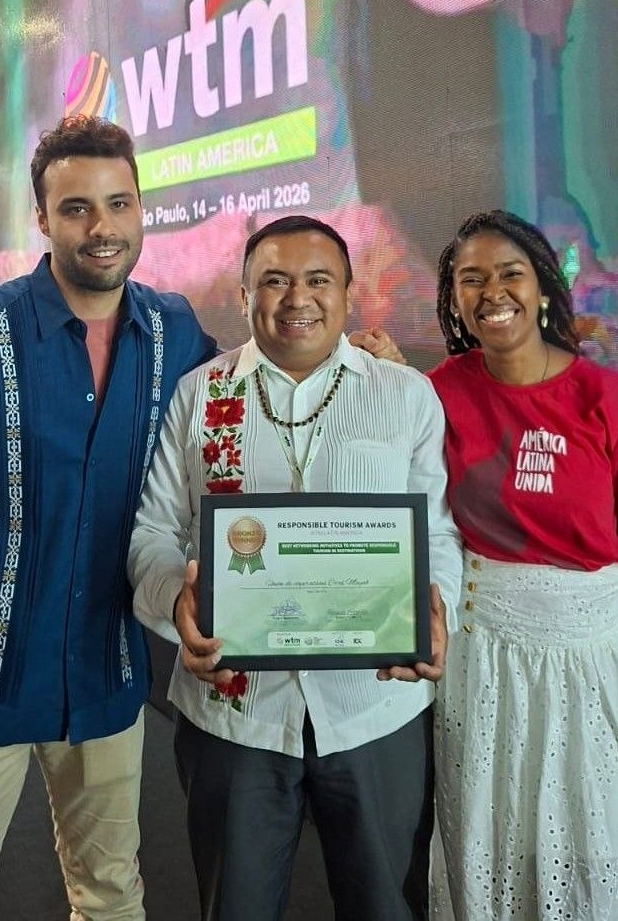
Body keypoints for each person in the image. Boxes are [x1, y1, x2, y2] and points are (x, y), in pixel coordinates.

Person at [0, 119, 402, 921]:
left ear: (141, 208)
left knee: (111, 895)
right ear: (42, 219)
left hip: (104, 673)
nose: (102, 227)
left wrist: (355, 361)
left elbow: (250, 382)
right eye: (76, 208)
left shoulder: (172, 331)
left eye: (118, 204)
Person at [127, 215, 462, 921]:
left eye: (317, 280)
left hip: (374, 709)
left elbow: (436, 531)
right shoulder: (200, 394)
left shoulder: (404, 394)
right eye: (274, 281)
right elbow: (155, 530)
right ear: (244, 296)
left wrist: (438, 613)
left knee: (385, 907)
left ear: (348, 293)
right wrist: (176, 603)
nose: (297, 298)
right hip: (235, 712)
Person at [427, 210, 618, 918]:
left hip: (594, 672)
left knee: (601, 861)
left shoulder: (606, 399)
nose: (492, 292)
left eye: (509, 273)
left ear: (542, 287)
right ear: (454, 298)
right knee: (495, 857)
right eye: (471, 279)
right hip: (484, 671)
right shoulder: (439, 392)